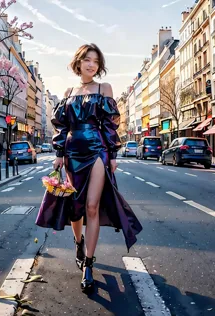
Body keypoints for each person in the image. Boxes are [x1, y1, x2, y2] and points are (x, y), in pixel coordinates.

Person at [35, 43, 142, 292]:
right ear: (79, 62)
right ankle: (78, 242)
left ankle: (89, 265)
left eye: (96, 60)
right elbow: (61, 126)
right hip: (72, 152)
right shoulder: (69, 90)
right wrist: (59, 153)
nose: (92, 64)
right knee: (76, 208)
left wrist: (113, 154)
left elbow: (109, 124)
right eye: (87, 60)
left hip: (97, 150)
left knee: (92, 206)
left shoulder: (105, 88)